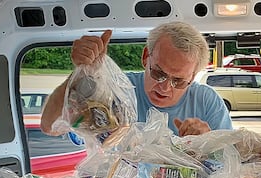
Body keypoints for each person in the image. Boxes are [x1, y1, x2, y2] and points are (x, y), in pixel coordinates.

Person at [40, 21, 232, 137]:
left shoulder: (207, 102)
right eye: (159, 73)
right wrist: (82, 72)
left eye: (178, 81)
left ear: (193, 77)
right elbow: (50, 126)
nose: (164, 87)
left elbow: (228, 165)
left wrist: (208, 142)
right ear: (145, 56)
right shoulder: (115, 90)